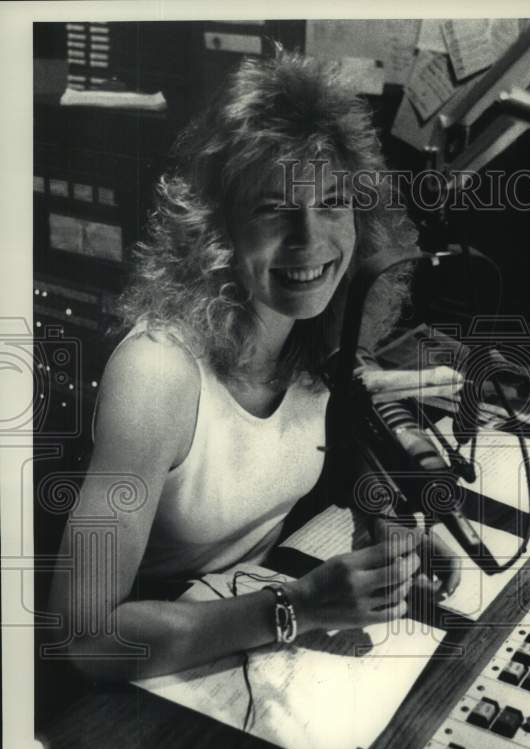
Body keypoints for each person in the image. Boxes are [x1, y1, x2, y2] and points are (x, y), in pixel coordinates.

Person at [49, 51, 460, 681]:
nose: (311, 240)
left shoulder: (317, 331)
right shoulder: (157, 373)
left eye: (332, 202)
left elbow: (332, 449)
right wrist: (299, 607)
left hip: (243, 643)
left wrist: (381, 523)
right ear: (215, 227)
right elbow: (84, 638)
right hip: (146, 681)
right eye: (274, 208)